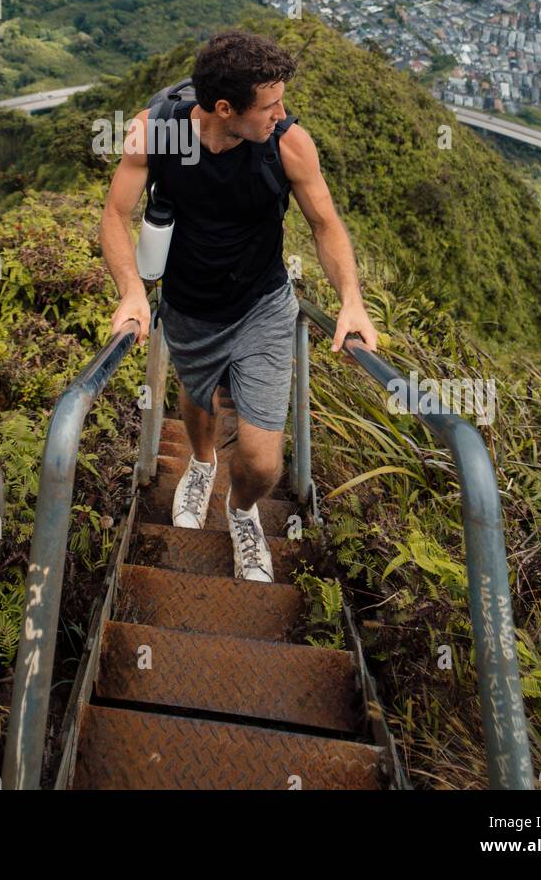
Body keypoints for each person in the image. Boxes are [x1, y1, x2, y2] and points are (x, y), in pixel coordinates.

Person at [100, 29, 379, 582]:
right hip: (188, 304)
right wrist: (132, 290)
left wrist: (352, 300)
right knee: (196, 394)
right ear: (224, 108)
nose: (282, 113)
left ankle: (243, 510)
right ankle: (201, 464)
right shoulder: (157, 134)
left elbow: (325, 224)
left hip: (264, 307)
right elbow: (114, 215)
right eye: (270, 105)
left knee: (261, 460)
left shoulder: (288, 143)